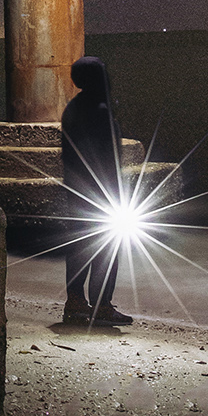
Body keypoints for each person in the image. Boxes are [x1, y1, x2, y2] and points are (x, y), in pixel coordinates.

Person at [59, 53, 134, 329]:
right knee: (106, 249)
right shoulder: (100, 110)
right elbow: (107, 157)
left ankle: (76, 302)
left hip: (78, 191)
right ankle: (101, 304)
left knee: (80, 247)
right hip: (102, 193)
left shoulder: (73, 108)